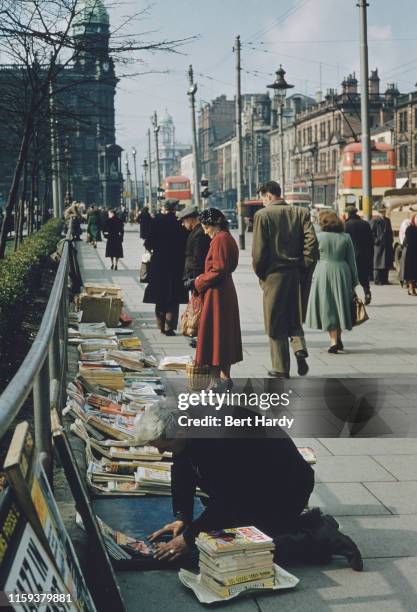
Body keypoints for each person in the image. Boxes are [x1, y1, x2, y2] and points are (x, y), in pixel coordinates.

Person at [133, 403, 363, 571]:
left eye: (162, 447)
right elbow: (183, 467)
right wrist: (183, 516)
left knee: (232, 547)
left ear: (179, 434)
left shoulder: (217, 441)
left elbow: (226, 500)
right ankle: (309, 524)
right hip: (257, 482)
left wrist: (188, 538)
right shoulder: (186, 425)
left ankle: (320, 539)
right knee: (218, 532)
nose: (161, 452)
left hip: (284, 488)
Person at [252, 181, 318, 379]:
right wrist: (304, 265)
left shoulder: (262, 215)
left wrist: (261, 274)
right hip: (295, 273)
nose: (263, 202)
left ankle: (281, 368)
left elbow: (258, 252)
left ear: (269, 195)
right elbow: (312, 243)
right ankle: (299, 348)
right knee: (294, 315)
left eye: (263, 197)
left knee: (274, 322)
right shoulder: (301, 213)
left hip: (273, 275)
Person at [186, 208, 242, 389]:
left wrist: (198, 281)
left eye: (206, 227)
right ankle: (224, 378)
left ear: (215, 224)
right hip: (224, 291)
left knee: (215, 334)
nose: (205, 230)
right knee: (223, 334)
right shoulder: (226, 237)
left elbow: (218, 269)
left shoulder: (220, 240)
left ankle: (216, 380)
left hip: (217, 293)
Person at [306, 210, 359, 353]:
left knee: (328, 306)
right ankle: (338, 339)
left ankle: (334, 341)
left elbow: (310, 258)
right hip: (343, 272)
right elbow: (352, 261)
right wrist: (355, 281)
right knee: (340, 305)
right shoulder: (346, 237)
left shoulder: (318, 237)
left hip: (323, 272)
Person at [143, 200, 188, 336]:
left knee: (160, 294)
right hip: (176, 264)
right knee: (172, 295)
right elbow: (185, 242)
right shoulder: (179, 223)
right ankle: (169, 327)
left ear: (164, 208)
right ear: (175, 208)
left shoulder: (157, 221)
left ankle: (160, 324)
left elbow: (148, 243)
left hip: (159, 263)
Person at [177, 205, 211, 348]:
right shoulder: (196, 232)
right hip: (195, 277)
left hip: (197, 277)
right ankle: (200, 335)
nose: (183, 225)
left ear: (191, 220)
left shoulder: (199, 235)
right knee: (199, 307)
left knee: (201, 308)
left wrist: (195, 280)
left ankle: (202, 336)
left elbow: (198, 259)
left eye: (184, 222)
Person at [344, 206, 373, 305]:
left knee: (351, 277)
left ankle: (353, 297)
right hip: (364, 255)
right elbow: (370, 241)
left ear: (348, 213)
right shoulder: (365, 224)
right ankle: (367, 292)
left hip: (350, 256)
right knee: (363, 275)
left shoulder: (345, 225)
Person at [370, 204, 393, 285]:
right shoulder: (375, 221)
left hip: (386, 245)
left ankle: (385, 280)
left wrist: (391, 242)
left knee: (386, 263)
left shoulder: (387, 220)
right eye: (382, 211)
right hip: (378, 245)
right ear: (379, 212)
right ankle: (377, 280)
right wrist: (376, 241)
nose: (383, 213)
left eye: (384, 211)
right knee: (377, 263)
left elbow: (390, 232)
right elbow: (371, 233)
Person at [402, 214, 417, 295]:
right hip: (411, 253)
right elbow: (410, 241)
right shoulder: (410, 229)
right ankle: (411, 288)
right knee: (411, 271)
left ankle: (412, 288)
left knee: (414, 272)